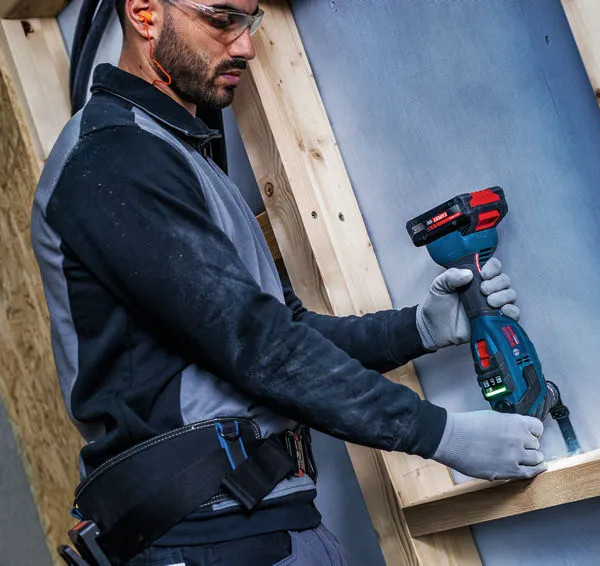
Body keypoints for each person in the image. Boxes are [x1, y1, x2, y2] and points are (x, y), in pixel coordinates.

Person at [31, 0, 547, 564]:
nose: (246, 45)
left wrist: (417, 330)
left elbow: (282, 326)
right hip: (206, 537)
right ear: (145, 12)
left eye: (249, 22)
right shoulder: (112, 158)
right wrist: (440, 434)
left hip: (259, 521)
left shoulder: (175, 152)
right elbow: (259, 345)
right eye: (222, 19)